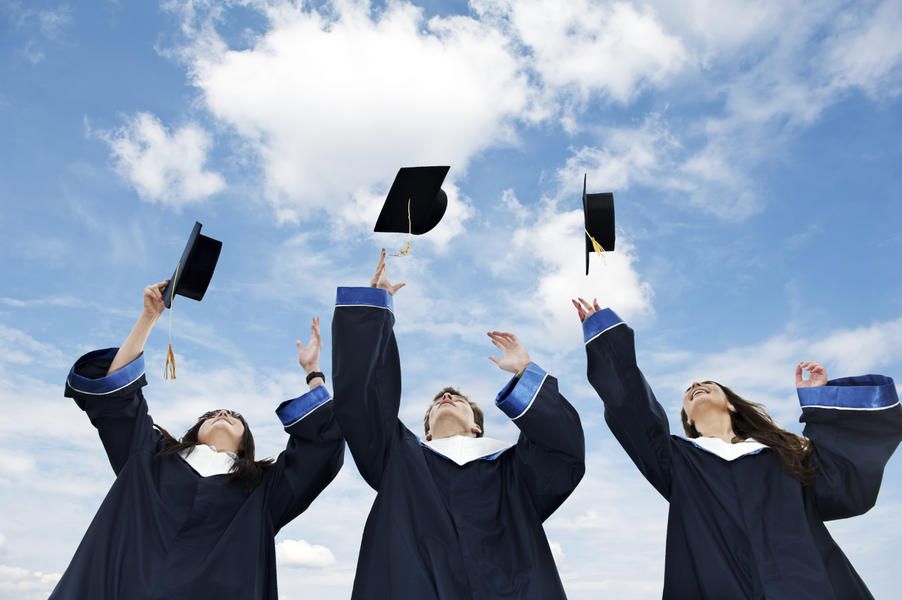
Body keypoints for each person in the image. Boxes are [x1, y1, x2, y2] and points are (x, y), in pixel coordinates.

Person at [572, 297, 902, 599]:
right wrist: (607, 340)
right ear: (686, 416)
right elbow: (631, 408)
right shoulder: (679, 462)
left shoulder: (782, 458)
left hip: (807, 585)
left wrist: (818, 400)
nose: (696, 386)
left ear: (731, 405)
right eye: (689, 391)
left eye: (707, 385)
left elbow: (844, 486)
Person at [50, 281, 344, 599]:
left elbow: (321, 444)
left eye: (234, 415)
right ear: (195, 431)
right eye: (212, 414)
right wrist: (148, 318)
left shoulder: (263, 492)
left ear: (247, 442)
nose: (222, 414)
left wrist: (313, 372)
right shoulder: (149, 460)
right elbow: (114, 398)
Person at [332, 249, 585, 599]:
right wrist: (377, 310)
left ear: (477, 427)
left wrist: (525, 371)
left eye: (458, 400)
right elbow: (362, 399)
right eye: (437, 403)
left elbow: (562, 449)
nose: (446, 399)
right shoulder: (399, 462)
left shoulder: (514, 471)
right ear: (428, 432)